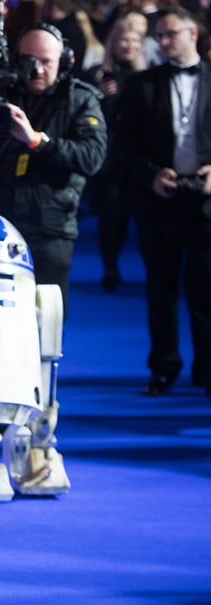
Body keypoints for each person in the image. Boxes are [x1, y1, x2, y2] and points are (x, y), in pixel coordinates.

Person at [0, 23, 106, 315]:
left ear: (64, 60)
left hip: (51, 228)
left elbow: (92, 158)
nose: (37, 69)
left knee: (44, 326)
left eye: (46, 61)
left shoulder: (81, 100)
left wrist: (36, 141)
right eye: (29, 60)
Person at [117, 6, 211, 396]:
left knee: (206, 290)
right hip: (159, 198)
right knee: (161, 289)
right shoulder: (142, 84)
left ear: (193, 33)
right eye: (159, 35)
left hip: (206, 202)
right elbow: (123, 144)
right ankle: (163, 367)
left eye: (170, 33)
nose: (163, 41)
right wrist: (151, 174)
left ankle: (207, 371)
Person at [83, 17, 146, 292]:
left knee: (142, 216)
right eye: (124, 40)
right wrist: (99, 95)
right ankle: (110, 267)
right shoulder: (97, 73)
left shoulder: (148, 76)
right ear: (113, 43)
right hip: (110, 155)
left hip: (141, 156)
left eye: (134, 41)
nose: (129, 45)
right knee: (111, 215)